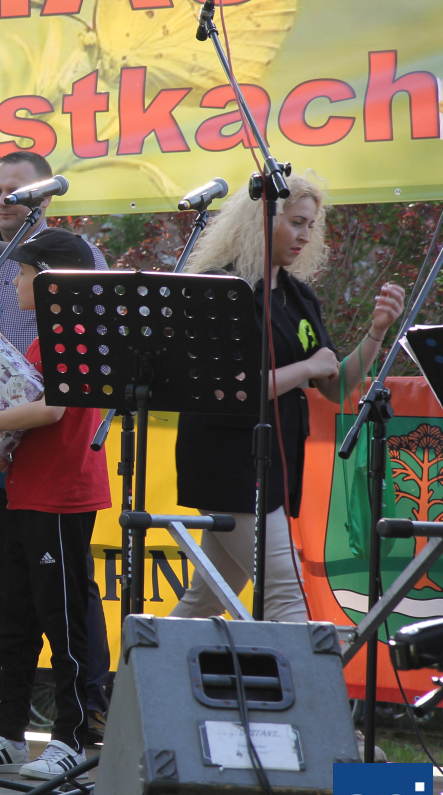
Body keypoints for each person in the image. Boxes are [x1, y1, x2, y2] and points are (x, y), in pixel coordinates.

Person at [172, 174, 403, 622]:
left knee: (207, 599)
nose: (305, 236)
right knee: (286, 593)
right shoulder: (222, 287)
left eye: (311, 226)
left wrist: (376, 333)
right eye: (297, 222)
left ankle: (138, 668)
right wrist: (306, 369)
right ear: (262, 219)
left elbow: (335, 386)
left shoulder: (298, 296)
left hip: (272, 464)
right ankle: (314, 673)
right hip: (227, 463)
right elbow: (229, 389)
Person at [0, 227, 110, 780]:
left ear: (50, 280)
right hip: (27, 490)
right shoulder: (45, 338)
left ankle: (70, 737)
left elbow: (54, 410)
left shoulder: (75, 333)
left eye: (22, 272)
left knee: (62, 619)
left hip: (62, 497)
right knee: (16, 618)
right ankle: (8, 734)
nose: (14, 281)